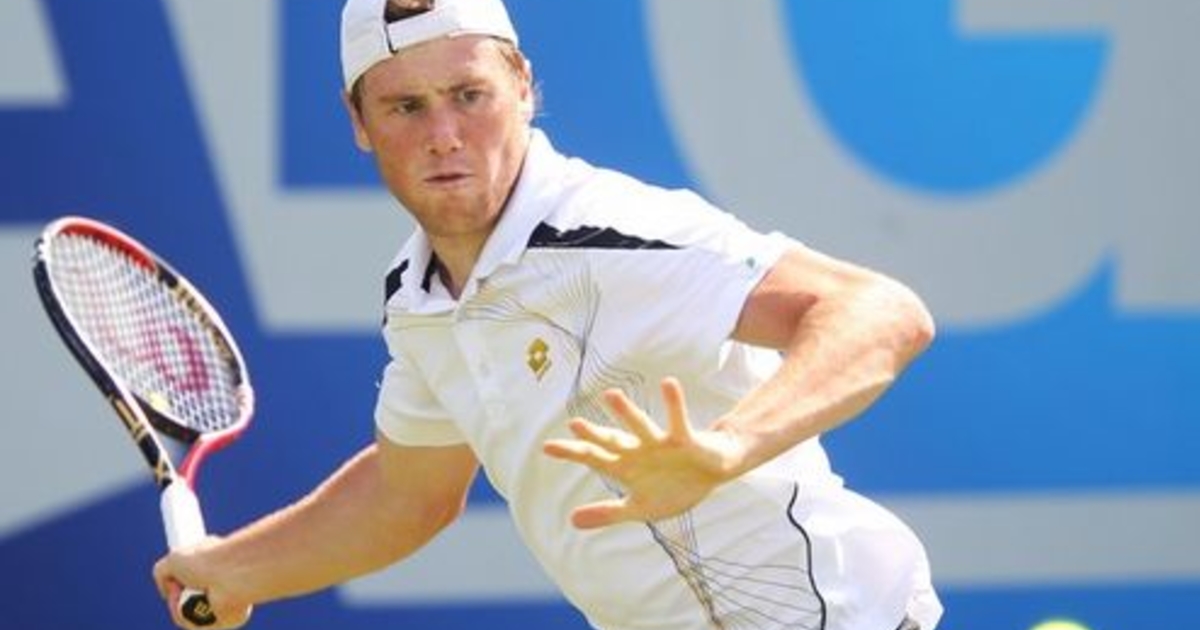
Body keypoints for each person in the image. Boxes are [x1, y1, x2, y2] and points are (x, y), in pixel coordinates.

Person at [153, 0, 944, 628]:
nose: (443, 136)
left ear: (524, 87)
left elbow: (880, 312)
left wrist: (726, 447)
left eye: (469, 96)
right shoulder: (418, 299)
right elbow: (407, 493)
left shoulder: (611, 234)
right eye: (405, 107)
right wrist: (233, 572)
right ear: (359, 123)